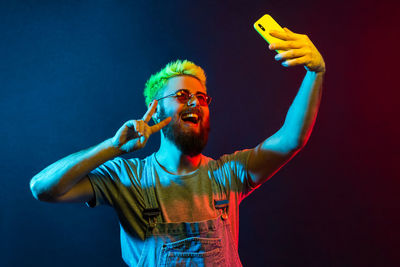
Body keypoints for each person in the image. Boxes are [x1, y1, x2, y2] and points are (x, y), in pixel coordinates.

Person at [30, 27, 325, 266]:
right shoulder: (127, 177)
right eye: (183, 95)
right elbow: (43, 188)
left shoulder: (229, 174)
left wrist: (315, 72)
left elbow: (291, 140)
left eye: (202, 97)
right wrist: (112, 147)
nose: (196, 101)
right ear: (155, 110)